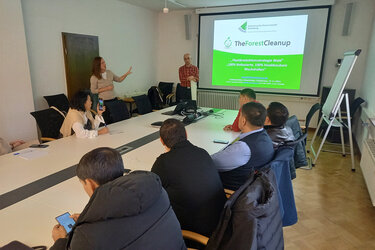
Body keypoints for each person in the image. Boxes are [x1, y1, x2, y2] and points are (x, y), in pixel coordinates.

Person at [50, 147, 186, 250]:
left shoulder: (87, 237)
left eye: (83, 184)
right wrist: (88, 220)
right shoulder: (157, 191)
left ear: (90, 184)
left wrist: (61, 241)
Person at [151, 119, 226, 237]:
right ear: (186, 134)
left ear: (161, 141)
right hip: (222, 220)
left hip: (197, 232)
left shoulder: (163, 162)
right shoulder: (203, 152)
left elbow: (153, 194)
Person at [212, 102, 274, 191]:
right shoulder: (265, 136)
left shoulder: (243, 148)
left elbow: (210, 163)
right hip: (254, 187)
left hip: (232, 191)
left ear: (243, 120)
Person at [90, 56, 132, 122]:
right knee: (104, 119)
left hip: (113, 99)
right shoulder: (94, 77)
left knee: (116, 117)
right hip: (101, 101)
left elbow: (119, 79)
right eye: (102, 63)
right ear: (98, 65)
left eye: (104, 62)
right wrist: (106, 88)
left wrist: (126, 74)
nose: (105, 64)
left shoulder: (109, 72)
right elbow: (93, 91)